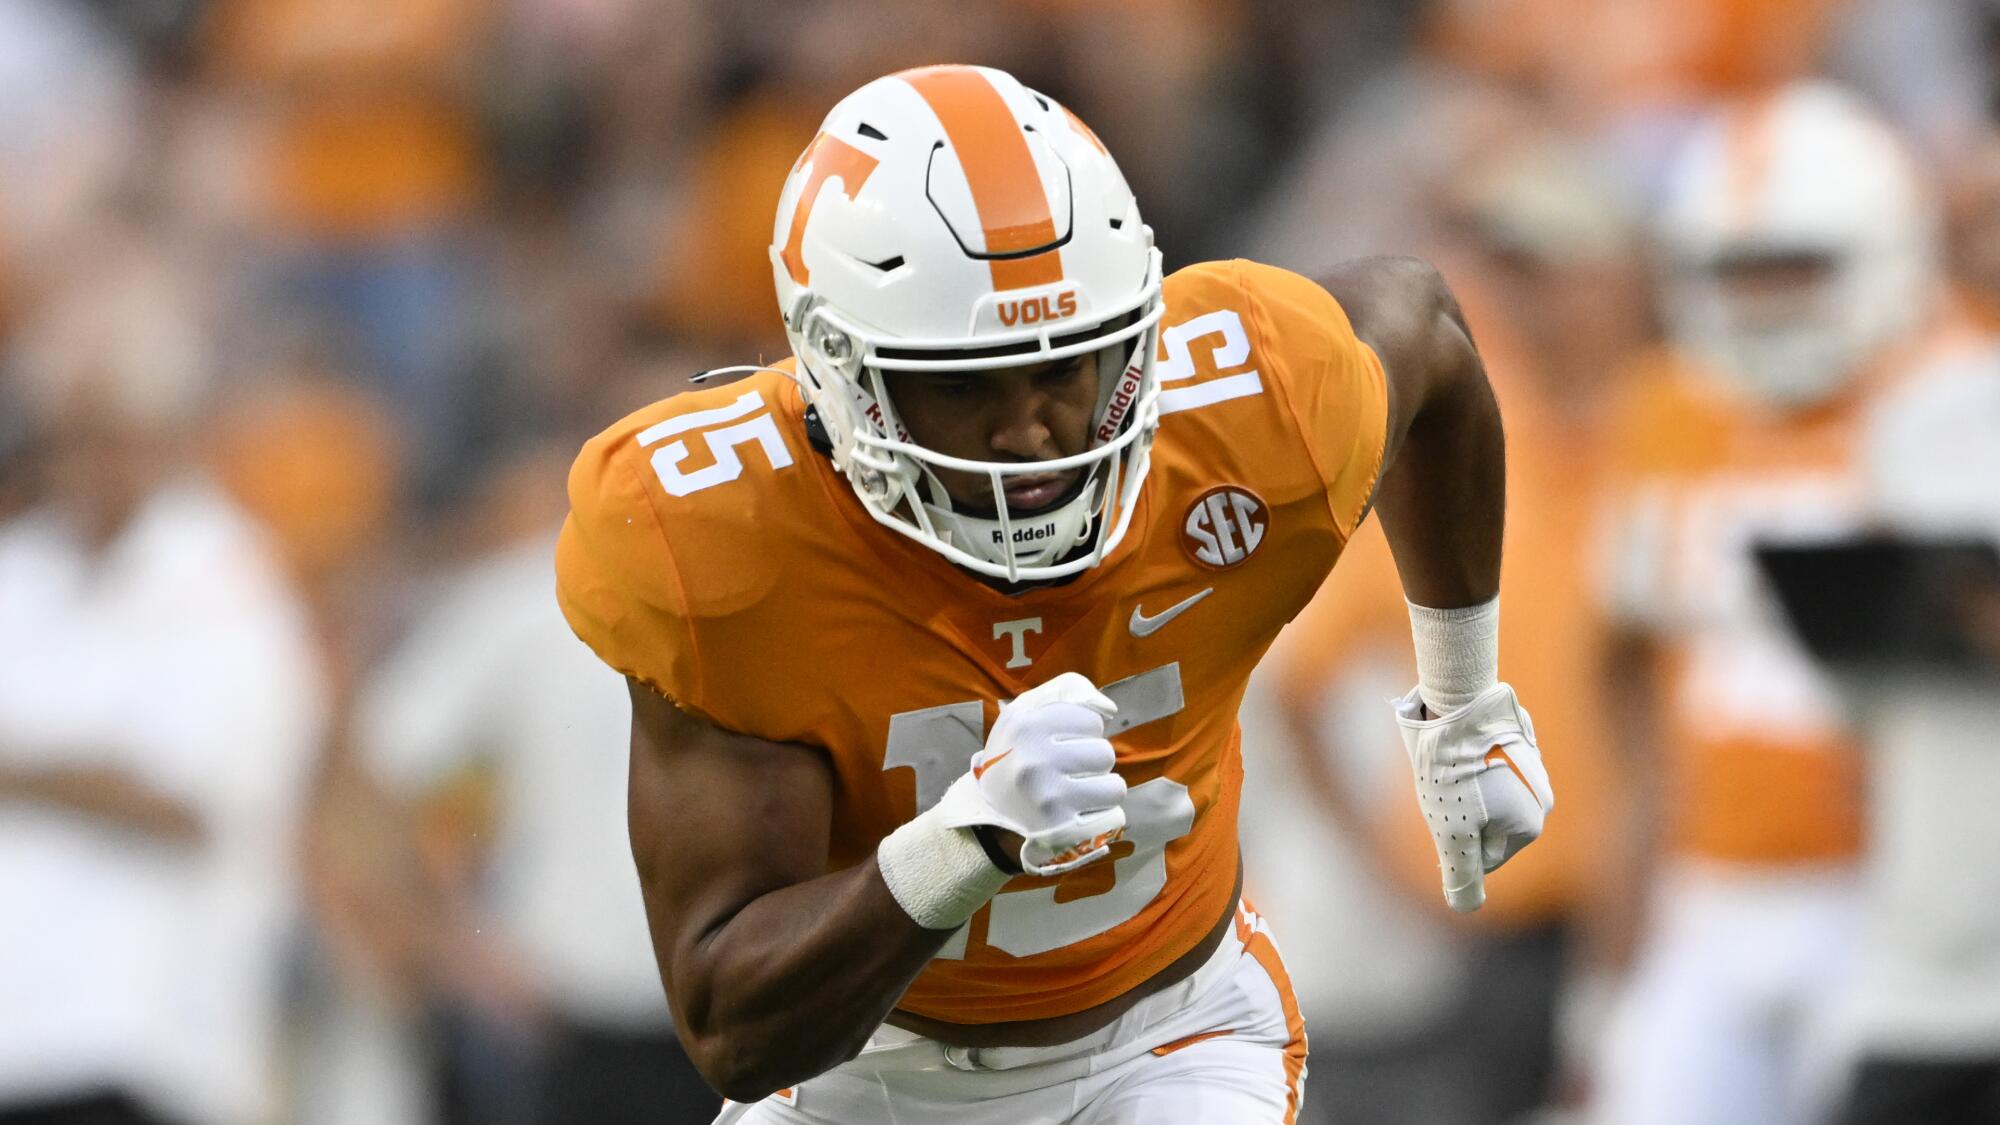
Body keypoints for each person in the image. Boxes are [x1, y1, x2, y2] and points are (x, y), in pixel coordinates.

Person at [555, 64, 1555, 1122]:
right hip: (871, 1071)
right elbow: (735, 1028)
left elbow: (1427, 329)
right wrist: (964, 842)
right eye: (959, 383)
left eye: (1063, 370)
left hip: (1171, 1037)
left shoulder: (1249, 406)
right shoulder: (718, 539)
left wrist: (1463, 703)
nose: (1028, 432)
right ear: (837, 372)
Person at [1586, 81, 1977, 1125]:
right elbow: (1625, 683)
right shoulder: (1665, 411)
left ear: (1885, 251)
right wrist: (1611, 954)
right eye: (1737, 272)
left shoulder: (1954, 404)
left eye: (1794, 267)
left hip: (1890, 904)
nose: (1763, 303)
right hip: (1707, 893)